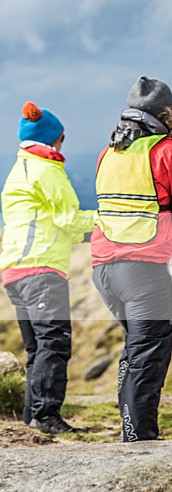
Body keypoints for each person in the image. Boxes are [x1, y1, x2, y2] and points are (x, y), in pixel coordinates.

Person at [91, 76, 172, 441]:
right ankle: (138, 439)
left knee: (136, 349)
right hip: (141, 271)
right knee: (148, 353)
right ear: (165, 115)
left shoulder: (109, 153)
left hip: (103, 269)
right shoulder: (167, 152)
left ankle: (131, 431)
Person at [0, 102, 96, 434]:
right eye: (63, 138)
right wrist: (108, 221)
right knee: (54, 342)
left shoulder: (21, 169)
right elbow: (70, 221)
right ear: (53, 139)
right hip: (41, 268)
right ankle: (46, 416)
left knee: (37, 347)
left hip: (15, 270)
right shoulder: (46, 169)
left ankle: (31, 417)